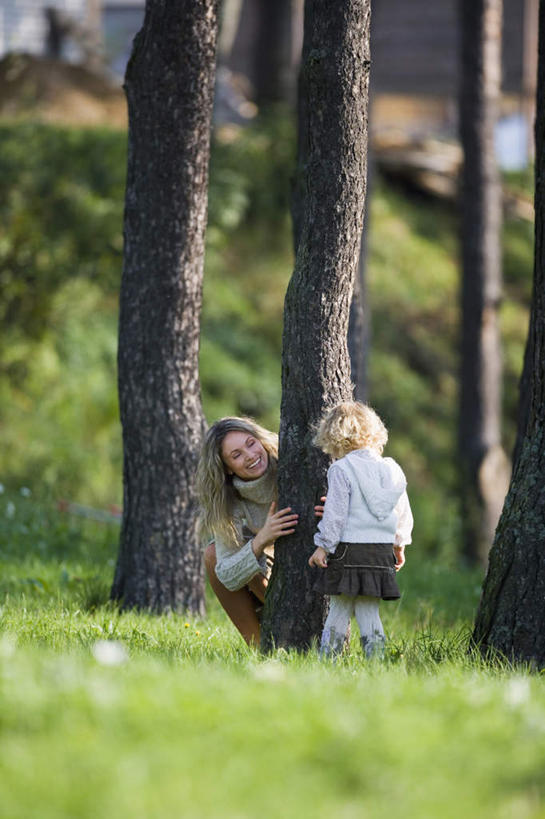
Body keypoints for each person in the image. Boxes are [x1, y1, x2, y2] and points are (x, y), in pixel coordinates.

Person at [308, 401, 413, 659]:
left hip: (348, 551)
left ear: (333, 434)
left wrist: (323, 546)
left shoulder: (341, 469)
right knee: (369, 611)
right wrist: (399, 545)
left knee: (339, 610)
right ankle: (376, 665)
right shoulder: (393, 470)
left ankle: (327, 663)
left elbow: (335, 516)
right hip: (380, 553)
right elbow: (403, 513)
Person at [196, 416, 299, 646]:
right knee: (214, 555)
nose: (250, 455)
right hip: (268, 579)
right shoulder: (228, 502)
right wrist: (261, 539)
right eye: (237, 455)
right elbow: (227, 577)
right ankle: (260, 648)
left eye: (250, 443)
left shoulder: (289, 460)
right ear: (228, 469)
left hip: (314, 566)